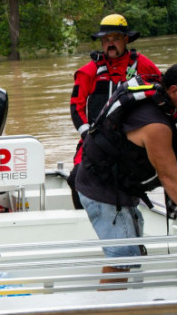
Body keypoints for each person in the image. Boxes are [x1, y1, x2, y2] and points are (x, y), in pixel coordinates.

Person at [74, 60, 177, 284]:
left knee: (129, 253)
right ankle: (109, 314)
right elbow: (169, 176)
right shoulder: (156, 126)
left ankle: (121, 304)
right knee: (122, 259)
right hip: (103, 191)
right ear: (174, 90)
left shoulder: (158, 94)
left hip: (111, 182)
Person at [68, 14, 161, 208]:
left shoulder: (143, 65)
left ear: (126, 40)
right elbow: (76, 107)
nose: (110, 44)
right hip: (95, 137)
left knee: (134, 179)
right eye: (106, 40)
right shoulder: (88, 71)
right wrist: (87, 136)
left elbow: (165, 94)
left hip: (132, 138)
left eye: (115, 39)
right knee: (76, 178)